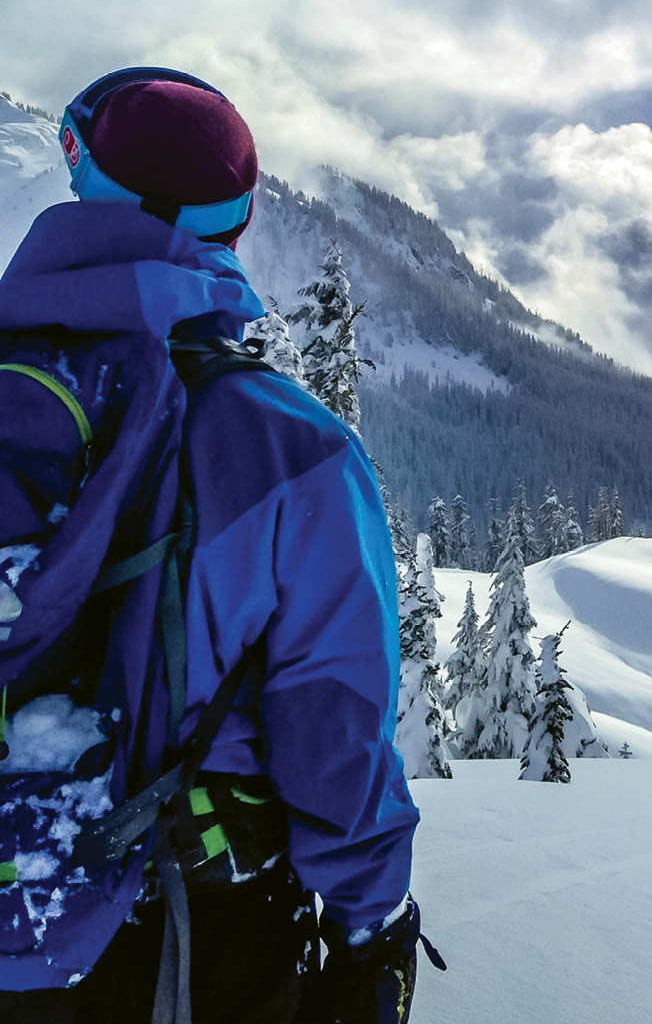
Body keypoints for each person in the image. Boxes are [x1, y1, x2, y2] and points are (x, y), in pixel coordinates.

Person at [0, 67, 426, 1022]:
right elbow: (335, 725)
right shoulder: (289, 448)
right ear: (232, 228)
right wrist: (371, 924)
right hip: (192, 927)